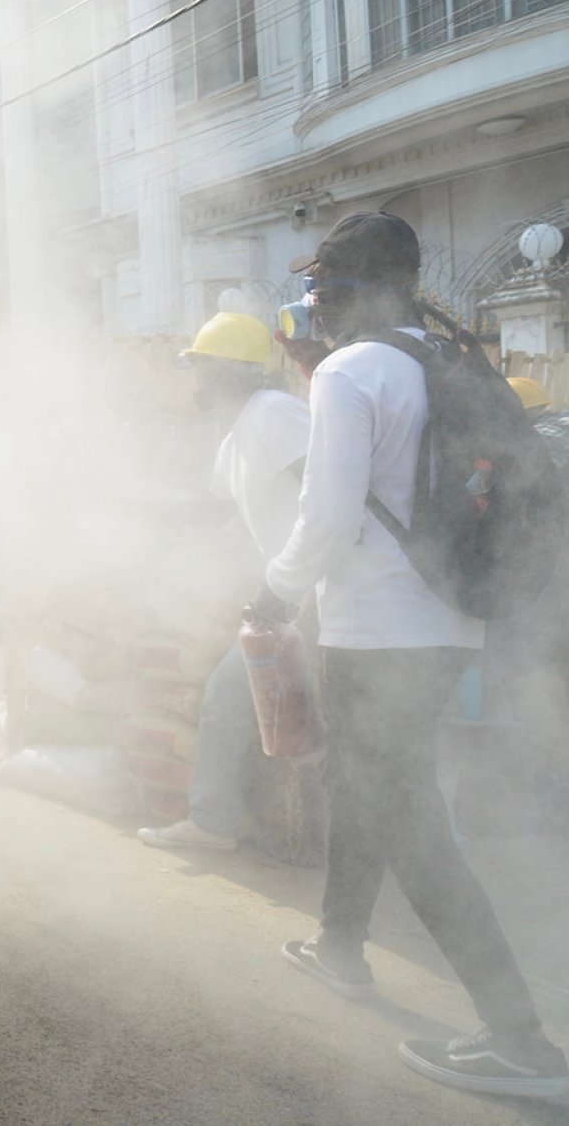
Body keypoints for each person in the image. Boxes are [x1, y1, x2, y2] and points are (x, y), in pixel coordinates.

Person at [253, 215, 568, 1099]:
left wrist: (275, 594)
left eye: (321, 291)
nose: (315, 308)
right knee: (374, 788)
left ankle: (522, 1037)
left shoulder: (351, 373)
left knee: (408, 821)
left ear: (351, 292)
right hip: (448, 625)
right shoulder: (447, 361)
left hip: (373, 630)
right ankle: (340, 945)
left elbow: (325, 515)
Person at [138, 312, 309, 853]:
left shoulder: (275, 414)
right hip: (293, 594)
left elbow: (327, 491)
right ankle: (258, 827)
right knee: (267, 709)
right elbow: (214, 515)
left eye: (201, 368)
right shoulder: (238, 434)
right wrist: (134, 513)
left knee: (227, 695)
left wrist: (292, 577)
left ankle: (213, 823)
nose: (195, 381)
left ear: (225, 372)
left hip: (312, 595)